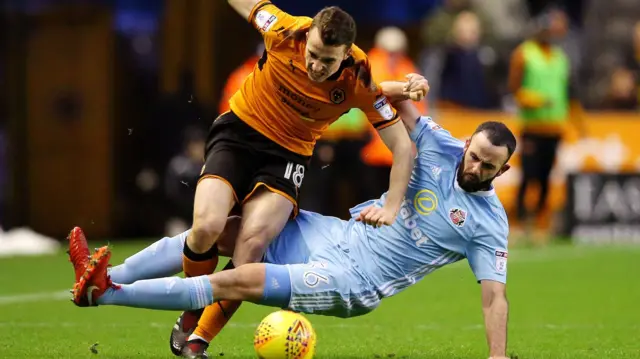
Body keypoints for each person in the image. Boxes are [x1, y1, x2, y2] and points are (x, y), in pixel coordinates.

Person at [67, 1, 421, 357]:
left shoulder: (358, 76)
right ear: (308, 35)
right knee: (206, 227)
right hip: (239, 135)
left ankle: (196, 338)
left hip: (288, 157)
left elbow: (402, 146)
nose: (315, 66)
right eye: (312, 54)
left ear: (345, 54)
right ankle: (189, 302)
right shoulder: (284, 29)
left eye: (327, 61)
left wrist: (392, 205)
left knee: (251, 246)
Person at [68, 93, 515, 359]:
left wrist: (497, 356)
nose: (472, 165)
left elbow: (494, 296)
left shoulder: (489, 224)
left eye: (485, 165)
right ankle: (103, 275)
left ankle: (106, 295)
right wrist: (407, 87)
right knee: (224, 231)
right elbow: (384, 98)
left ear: (503, 171)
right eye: (473, 153)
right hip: (334, 234)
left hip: (354, 281)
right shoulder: (442, 144)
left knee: (236, 279)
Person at [508, 7, 586, 236]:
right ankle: (520, 222)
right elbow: (514, 89)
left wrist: (579, 123)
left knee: (545, 177)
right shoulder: (524, 53)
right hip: (532, 127)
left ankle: (541, 222)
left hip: (554, 128)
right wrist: (534, 100)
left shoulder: (561, 58)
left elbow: (569, 93)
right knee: (528, 175)